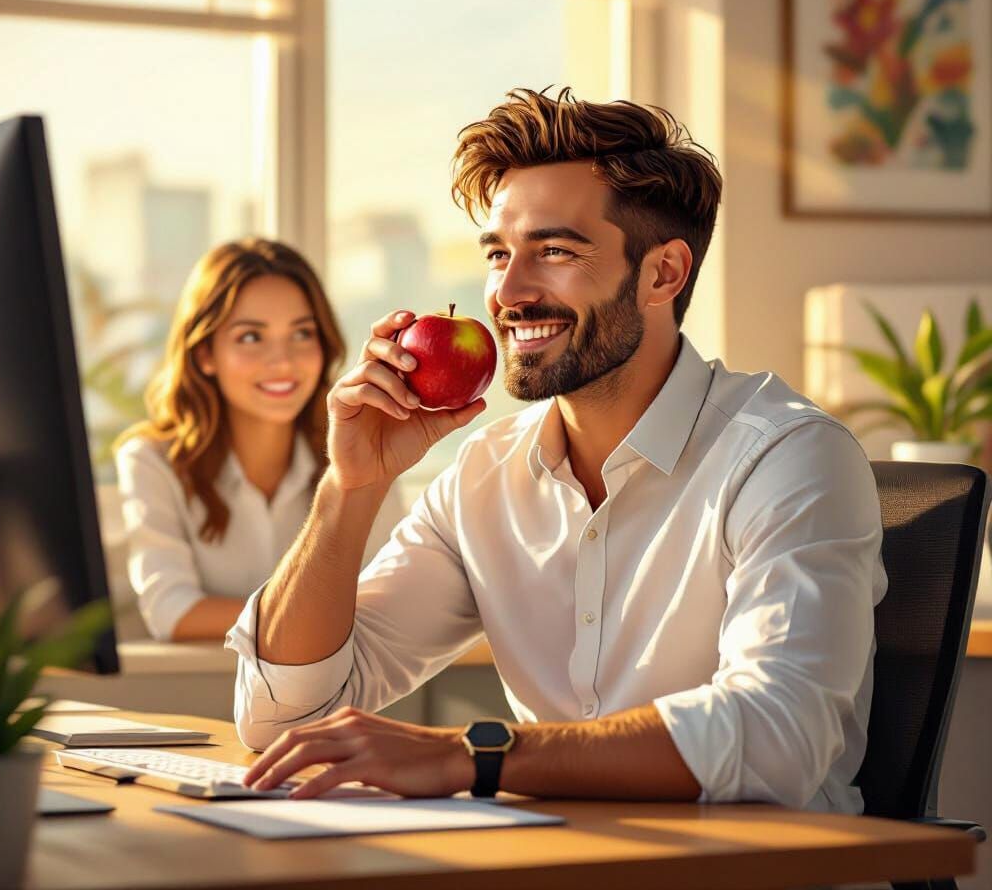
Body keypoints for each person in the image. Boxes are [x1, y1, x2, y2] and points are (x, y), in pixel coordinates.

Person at [226, 90, 888, 811]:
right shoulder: (483, 476)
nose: (508, 293)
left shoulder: (787, 457)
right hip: (548, 855)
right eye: (498, 254)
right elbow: (280, 716)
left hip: (752, 862)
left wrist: (467, 756)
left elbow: (777, 737)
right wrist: (351, 487)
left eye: (555, 251)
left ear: (663, 274)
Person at [115, 238, 402, 642]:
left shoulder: (361, 449)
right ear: (205, 354)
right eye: (251, 337)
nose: (283, 361)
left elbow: (389, 601)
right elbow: (173, 613)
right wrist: (314, 616)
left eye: (302, 333)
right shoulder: (152, 461)